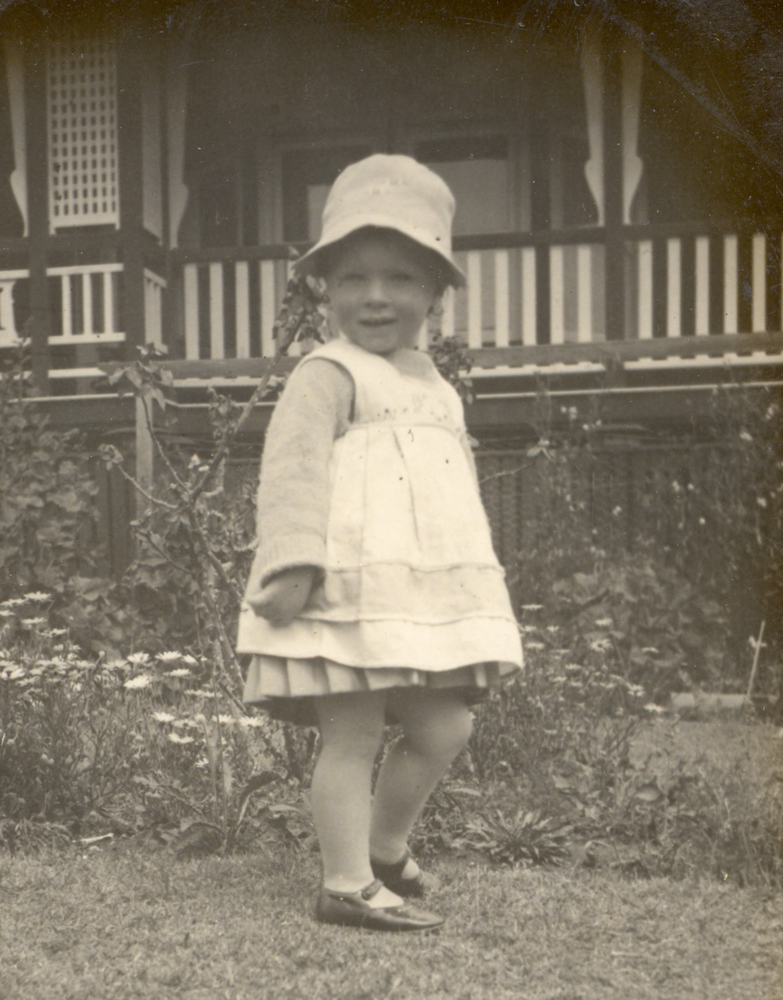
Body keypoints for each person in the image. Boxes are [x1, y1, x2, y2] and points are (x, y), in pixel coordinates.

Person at [236, 154, 523, 932]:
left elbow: (451, 491)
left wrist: (470, 593)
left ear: (434, 291)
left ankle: (385, 849)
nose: (374, 297)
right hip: (344, 588)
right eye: (353, 278)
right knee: (354, 729)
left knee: (444, 726)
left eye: (399, 278)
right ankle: (343, 883)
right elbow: (290, 474)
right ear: (322, 287)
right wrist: (291, 563)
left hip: (419, 592)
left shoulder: (436, 386)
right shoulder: (325, 374)